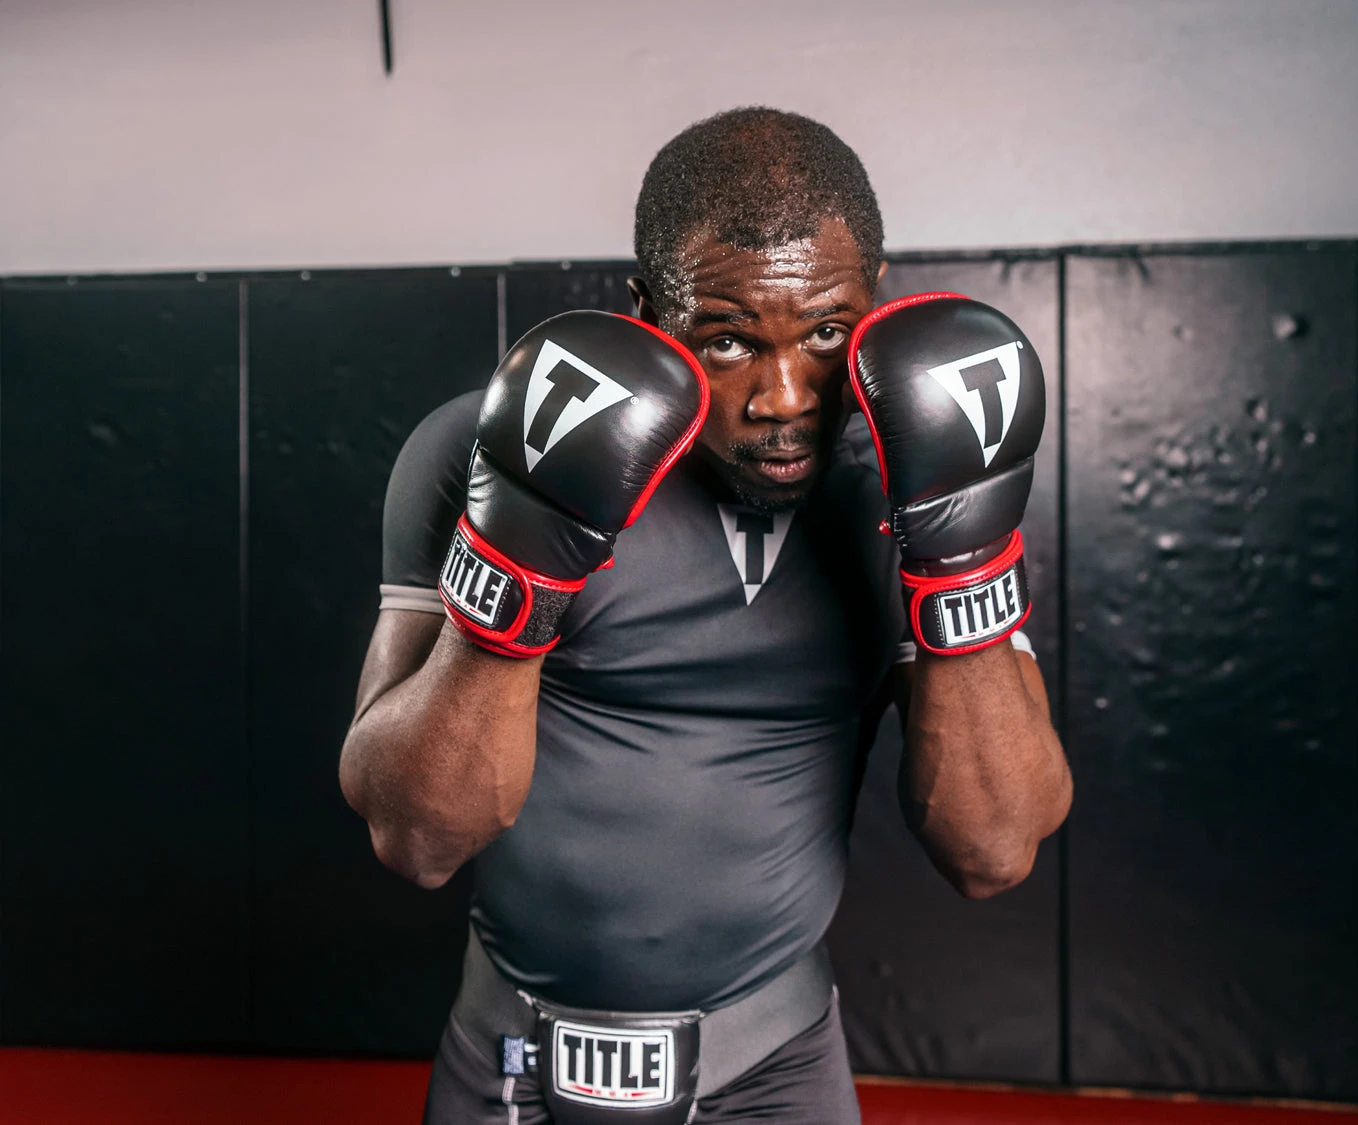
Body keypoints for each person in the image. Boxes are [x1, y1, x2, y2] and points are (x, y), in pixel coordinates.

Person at [340, 107, 1071, 1125]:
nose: (784, 397)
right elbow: (415, 838)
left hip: (775, 1070)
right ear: (649, 315)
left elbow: (994, 851)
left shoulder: (910, 476)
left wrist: (960, 564)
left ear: (876, 300)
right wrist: (516, 579)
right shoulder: (487, 452)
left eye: (827, 333)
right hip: (513, 1065)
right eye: (728, 341)